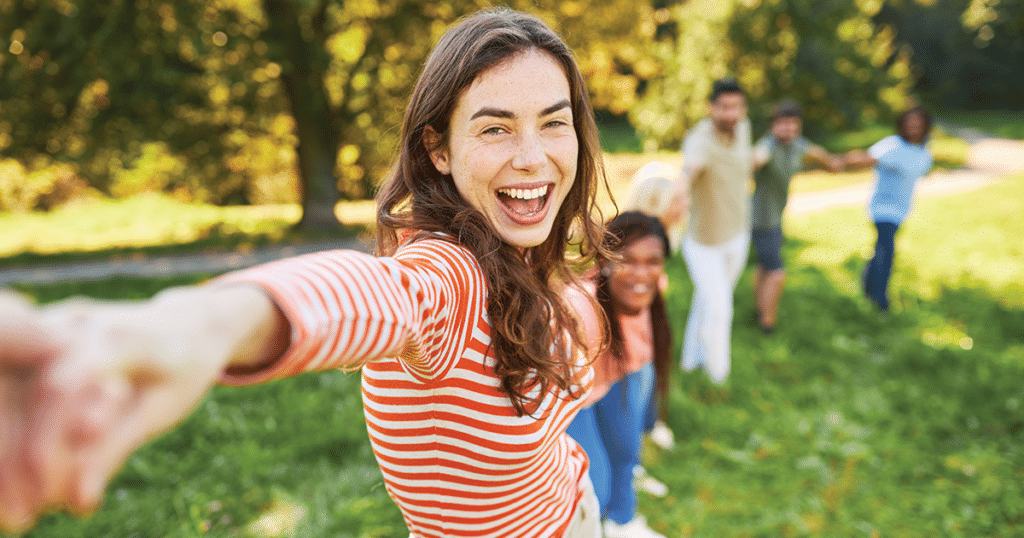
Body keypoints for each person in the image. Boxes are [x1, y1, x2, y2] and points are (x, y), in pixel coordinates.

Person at [0, 9, 617, 538]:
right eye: (495, 127)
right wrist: (203, 324)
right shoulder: (451, 274)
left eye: (554, 121)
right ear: (439, 150)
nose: (533, 156)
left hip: (575, 504)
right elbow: (379, 296)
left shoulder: (516, 250)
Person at [564, 211, 673, 538]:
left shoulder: (649, 288)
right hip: (575, 396)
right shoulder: (580, 306)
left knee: (626, 452)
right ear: (605, 261)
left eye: (652, 261)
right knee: (594, 482)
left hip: (622, 373)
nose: (641, 273)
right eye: (628, 260)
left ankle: (623, 522)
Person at [674, 78, 753, 384]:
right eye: (723, 107)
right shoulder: (700, 140)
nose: (730, 114)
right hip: (703, 243)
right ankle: (718, 379)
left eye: (736, 107)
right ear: (711, 108)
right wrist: (679, 190)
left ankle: (691, 362)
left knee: (708, 301)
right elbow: (689, 169)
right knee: (720, 308)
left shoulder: (743, 130)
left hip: (737, 235)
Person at [750, 99, 844, 334]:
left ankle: (759, 309)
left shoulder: (796, 144)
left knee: (764, 267)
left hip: (774, 218)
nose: (787, 128)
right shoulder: (768, 146)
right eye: (782, 124)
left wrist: (832, 163)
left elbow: (815, 152)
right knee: (776, 272)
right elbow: (757, 157)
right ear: (773, 126)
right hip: (761, 221)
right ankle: (767, 325)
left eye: (792, 124)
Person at [844, 105, 934, 314]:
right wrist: (839, 162)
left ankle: (868, 285)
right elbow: (867, 158)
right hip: (882, 209)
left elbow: (919, 171)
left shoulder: (924, 152)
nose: (913, 128)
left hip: (902, 209)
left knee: (882, 250)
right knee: (887, 250)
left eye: (918, 124)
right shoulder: (892, 145)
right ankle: (880, 300)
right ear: (901, 125)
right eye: (909, 123)